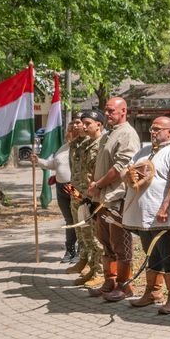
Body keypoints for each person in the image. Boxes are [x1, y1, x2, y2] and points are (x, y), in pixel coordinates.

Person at [121, 116, 170, 314]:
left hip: (163, 214)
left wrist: (165, 208)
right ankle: (153, 292)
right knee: (150, 252)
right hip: (144, 215)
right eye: (152, 129)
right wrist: (128, 176)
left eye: (158, 129)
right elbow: (128, 171)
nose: (153, 132)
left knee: (168, 252)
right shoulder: (144, 152)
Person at [86, 97, 141, 301]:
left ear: (123, 111)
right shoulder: (109, 134)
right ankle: (109, 282)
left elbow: (121, 168)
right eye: (106, 110)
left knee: (121, 245)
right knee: (106, 242)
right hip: (103, 200)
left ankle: (124, 286)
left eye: (111, 111)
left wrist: (99, 183)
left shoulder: (127, 134)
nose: (107, 114)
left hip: (118, 198)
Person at [32, 118, 82, 263]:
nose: (70, 132)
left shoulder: (80, 148)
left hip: (74, 187)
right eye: (69, 130)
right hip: (61, 187)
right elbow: (53, 164)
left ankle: (81, 251)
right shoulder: (63, 148)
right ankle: (70, 250)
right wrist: (38, 161)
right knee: (69, 219)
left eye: (73, 130)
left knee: (78, 219)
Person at [68, 110, 106, 285]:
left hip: (94, 198)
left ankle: (99, 272)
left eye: (87, 123)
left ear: (98, 124)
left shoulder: (103, 145)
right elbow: (78, 173)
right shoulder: (82, 145)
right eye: (81, 123)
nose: (82, 126)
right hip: (79, 196)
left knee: (96, 236)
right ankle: (91, 268)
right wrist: (75, 194)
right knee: (85, 234)